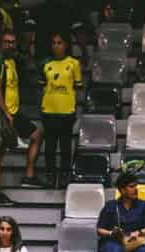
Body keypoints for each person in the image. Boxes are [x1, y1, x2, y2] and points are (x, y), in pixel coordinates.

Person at [0, 29, 43, 204]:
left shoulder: (11, 61)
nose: (10, 45)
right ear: (0, 43)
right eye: (7, 42)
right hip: (1, 114)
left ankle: (29, 176)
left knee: (37, 134)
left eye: (13, 42)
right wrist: (5, 112)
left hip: (14, 112)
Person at [39, 30, 81, 187]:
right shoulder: (45, 64)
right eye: (54, 43)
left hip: (66, 111)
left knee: (65, 146)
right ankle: (50, 175)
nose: (56, 46)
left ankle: (64, 175)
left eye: (59, 43)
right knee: (49, 146)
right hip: (48, 111)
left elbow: (77, 88)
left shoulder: (74, 64)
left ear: (66, 45)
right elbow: (42, 87)